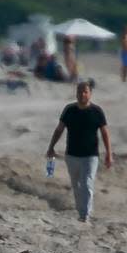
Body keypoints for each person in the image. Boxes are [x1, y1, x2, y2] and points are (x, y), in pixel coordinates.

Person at [46, 80, 113, 223]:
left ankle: (85, 215)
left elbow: (105, 133)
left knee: (87, 183)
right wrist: (51, 147)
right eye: (79, 92)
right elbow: (59, 129)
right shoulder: (69, 110)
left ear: (90, 94)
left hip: (91, 156)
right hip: (72, 155)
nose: (82, 94)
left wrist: (109, 154)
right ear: (76, 93)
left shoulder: (97, 111)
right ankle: (80, 211)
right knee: (76, 186)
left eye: (85, 92)